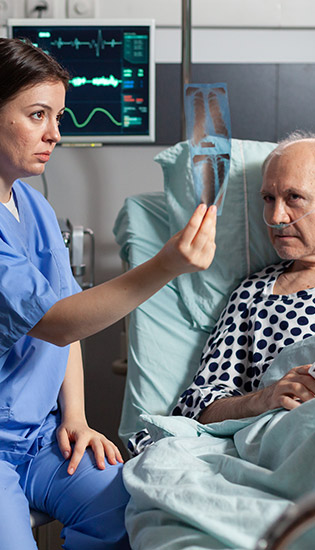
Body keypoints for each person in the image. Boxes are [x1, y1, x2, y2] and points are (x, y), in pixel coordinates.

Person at [0, 37, 217, 550]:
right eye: (37, 115)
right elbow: (59, 320)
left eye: (58, 116)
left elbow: (66, 322)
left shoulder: (32, 207)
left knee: (138, 513)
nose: (55, 133)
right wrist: (167, 265)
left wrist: (75, 418)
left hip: (40, 438)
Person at [129, 132, 315, 456]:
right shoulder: (256, 294)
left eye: (294, 198)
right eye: (268, 199)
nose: (275, 218)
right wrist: (266, 398)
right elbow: (197, 407)